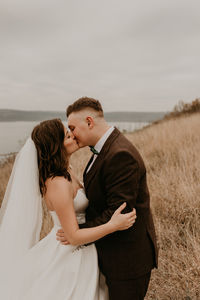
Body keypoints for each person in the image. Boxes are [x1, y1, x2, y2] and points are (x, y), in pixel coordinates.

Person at [0, 119, 137, 300]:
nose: (73, 136)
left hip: (85, 246)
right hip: (69, 252)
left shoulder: (67, 170)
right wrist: (113, 225)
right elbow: (72, 237)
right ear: (56, 146)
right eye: (67, 135)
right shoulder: (58, 183)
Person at [57, 97, 158, 300]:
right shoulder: (101, 149)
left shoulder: (120, 154)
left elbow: (118, 212)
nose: (71, 134)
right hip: (108, 253)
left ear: (89, 121)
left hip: (127, 261)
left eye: (72, 127)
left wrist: (76, 234)